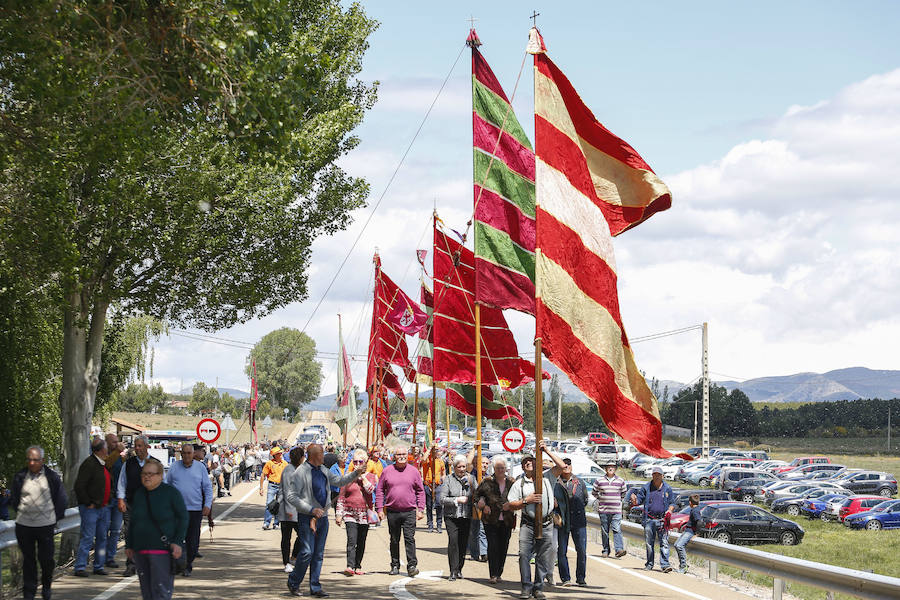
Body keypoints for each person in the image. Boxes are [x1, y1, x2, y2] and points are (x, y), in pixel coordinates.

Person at [285, 443, 365, 597]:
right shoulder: (300, 472)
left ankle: (315, 587)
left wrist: (356, 473)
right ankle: (294, 581)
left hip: (323, 518)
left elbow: (340, 481)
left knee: (318, 554)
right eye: (321, 453)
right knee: (307, 552)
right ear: (314, 455)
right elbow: (291, 496)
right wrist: (310, 509)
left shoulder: (323, 470)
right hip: (307, 518)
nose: (325, 455)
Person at [506, 441, 563, 600]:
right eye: (525, 462)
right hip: (528, 524)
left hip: (546, 524)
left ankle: (538, 587)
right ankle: (526, 587)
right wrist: (526, 500)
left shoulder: (547, 478)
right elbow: (511, 504)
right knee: (524, 555)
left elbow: (562, 466)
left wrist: (546, 450)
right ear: (523, 467)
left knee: (543, 557)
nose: (529, 463)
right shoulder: (519, 483)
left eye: (531, 460)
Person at [10, 446, 67, 600]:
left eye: (35, 460)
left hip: (45, 525)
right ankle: (29, 592)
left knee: (46, 559)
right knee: (28, 561)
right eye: (29, 459)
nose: (32, 463)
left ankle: (46, 586)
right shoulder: (20, 476)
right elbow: (15, 500)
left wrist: (55, 518)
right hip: (24, 526)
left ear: (42, 460)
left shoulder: (51, 477)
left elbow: (61, 499)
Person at [126, 459, 188, 600]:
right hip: (141, 550)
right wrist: (129, 545)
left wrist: (178, 541)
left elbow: (183, 517)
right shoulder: (139, 494)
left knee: (161, 591)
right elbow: (133, 521)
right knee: (146, 592)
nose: (146, 477)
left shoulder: (171, 493)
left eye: (150, 474)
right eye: (143, 474)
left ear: (160, 475)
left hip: (162, 550)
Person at [375, 444, 425, 577]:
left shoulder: (414, 471)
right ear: (394, 457)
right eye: (398, 455)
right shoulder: (387, 471)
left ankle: (412, 565)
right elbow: (379, 490)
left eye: (403, 454)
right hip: (392, 511)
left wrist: (421, 509)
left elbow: (420, 491)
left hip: (409, 511)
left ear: (407, 456)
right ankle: (395, 565)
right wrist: (379, 508)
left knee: (409, 539)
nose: (401, 457)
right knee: (394, 539)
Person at [164, 443, 213, 576]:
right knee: (176, 539)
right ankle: (176, 564)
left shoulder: (200, 468)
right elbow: (166, 486)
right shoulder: (174, 467)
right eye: (184, 453)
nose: (186, 456)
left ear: (193, 454)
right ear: (180, 454)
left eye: (188, 453)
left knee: (192, 541)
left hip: (195, 510)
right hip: (177, 510)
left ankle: (188, 564)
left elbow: (207, 488)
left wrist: (207, 505)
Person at [73, 438, 112, 576]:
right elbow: (79, 486)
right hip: (92, 508)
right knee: (88, 537)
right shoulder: (89, 464)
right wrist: (88, 502)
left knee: (102, 538)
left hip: (103, 507)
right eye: (106, 447)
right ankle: (80, 567)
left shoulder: (102, 464)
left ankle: (99, 565)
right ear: (102, 449)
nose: (108, 449)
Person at [335, 448, 378, 576]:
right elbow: (341, 497)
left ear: (365, 463)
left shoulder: (371, 476)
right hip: (350, 514)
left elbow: (370, 490)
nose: (357, 464)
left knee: (361, 541)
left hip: (364, 515)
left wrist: (362, 477)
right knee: (351, 540)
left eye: (360, 462)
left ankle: (358, 565)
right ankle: (350, 565)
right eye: (355, 462)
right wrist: (339, 515)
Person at [475, 454, 516, 584]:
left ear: (506, 468)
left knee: (503, 547)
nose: (500, 470)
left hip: (507, 520)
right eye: (498, 467)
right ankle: (493, 574)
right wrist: (483, 505)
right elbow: (476, 497)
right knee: (492, 546)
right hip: (490, 520)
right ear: (493, 468)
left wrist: (513, 505)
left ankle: (499, 573)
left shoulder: (512, 482)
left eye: (502, 467)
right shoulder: (487, 481)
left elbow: (518, 498)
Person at [630, 465, 676, 572]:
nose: (656, 477)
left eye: (658, 475)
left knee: (664, 542)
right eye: (654, 474)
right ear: (652, 475)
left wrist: (670, 510)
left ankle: (665, 565)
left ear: (662, 476)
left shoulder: (667, 488)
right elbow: (638, 501)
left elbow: (672, 502)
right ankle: (649, 564)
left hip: (662, 520)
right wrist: (634, 499)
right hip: (649, 520)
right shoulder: (646, 487)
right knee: (649, 543)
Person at [117, 435, 152, 576]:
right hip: (131, 505)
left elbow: (163, 485)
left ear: (146, 446)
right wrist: (120, 499)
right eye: (135, 446)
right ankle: (131, 565)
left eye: (140, 446)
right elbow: (121, 483)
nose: (137, 449)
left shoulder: (154, 463)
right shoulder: (129, 464)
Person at [439, 454, 475, 581]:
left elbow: (477, 494)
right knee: (453, 542)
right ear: (454, 468)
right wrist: (456, 500)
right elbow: (442, 499)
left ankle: (459, 568)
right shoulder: (448, 479)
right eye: (459, 467)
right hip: (451, 517)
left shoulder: (471, 479)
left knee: (463, 543)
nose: (462, 469)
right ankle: (452, 571)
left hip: (466, 516)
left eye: (464, 466)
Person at [555, 457, 589, 587]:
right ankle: (565, 578)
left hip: (579, 521)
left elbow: (585, 500)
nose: (567, 466)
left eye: (569, 464)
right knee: (562, 550)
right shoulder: (556, 483)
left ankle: (581, 577)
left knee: (581, 551)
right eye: (564, 465)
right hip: (563, 521)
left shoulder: (579, 482)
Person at [593, 460, 627, 558]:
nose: (610, 468)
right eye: (608, 467)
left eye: (612, 467)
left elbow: (624, 493)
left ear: (615, 469)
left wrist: (616, 500)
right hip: (604, 510)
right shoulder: (599, 480)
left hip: (616, 510)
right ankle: (606, 550)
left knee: (616, 528)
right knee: (605, 530)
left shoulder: (621, 481)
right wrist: (602, 498)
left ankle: (619, 549)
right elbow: (594, 492)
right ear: (605, 469)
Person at [278, 447, 304, 573]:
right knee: (286, 537)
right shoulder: (289, 470)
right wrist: (289, 510)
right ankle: (286, 562)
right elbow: (287, 492)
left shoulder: (299, 469)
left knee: (303, 534)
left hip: (298, 510)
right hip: (288, 510)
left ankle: (294, 556)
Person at [465, 448, 489, 562]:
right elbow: (467, 463)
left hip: (486, 508)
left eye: (486, 463)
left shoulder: (490, 477)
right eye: (482, 463)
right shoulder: (472, 474)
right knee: (474, 530)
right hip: (473, 506)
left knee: (483, 529)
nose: (484, 465)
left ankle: (484, 553)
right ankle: (475, 554)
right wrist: (474, 448)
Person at [105, 438, 125, 570]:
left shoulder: (120, 458)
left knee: (115, 530)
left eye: (117, 441)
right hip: (106, 499)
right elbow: (107, 464)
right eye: (113, 442)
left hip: (117, 497)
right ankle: (101, 557)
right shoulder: (106, 456)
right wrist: (117, 451)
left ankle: (110, 557)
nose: (116, 444)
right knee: (103, 530)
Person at [674, 494, 701, 573]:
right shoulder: (694, 509)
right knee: (676, 545)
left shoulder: (695, 510)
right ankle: (682, 565)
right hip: (687, 531)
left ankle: (684, 565)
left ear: (690, 503)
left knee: (679, 545)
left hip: (690, 532)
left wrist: (697, 534)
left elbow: (699, 521)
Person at [260, 447, 286, 530]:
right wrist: (261, 488)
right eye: (279, 453)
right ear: (275, 455)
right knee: (269, 504)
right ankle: (266, 523)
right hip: (272, 485)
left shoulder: (285, 463)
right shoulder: (269, 464)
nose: (281, 454)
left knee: (279, 505)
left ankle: (276, 523)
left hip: (282, 486)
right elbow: (263, 475)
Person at [421, 446, 445, 533]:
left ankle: (439, 525)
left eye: (437, 450)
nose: (437, 452)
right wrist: (430, 447)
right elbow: (423, 459)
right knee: (429, 506)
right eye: (435, 451)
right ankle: (430, 525)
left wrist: (443, 479)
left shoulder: (440, 461)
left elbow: (443, 472)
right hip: (428, 485)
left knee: (439, 504)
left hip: (438, 486)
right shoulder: (427, 460)